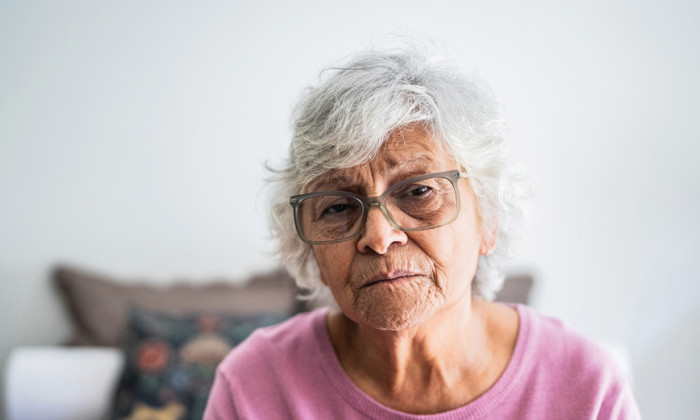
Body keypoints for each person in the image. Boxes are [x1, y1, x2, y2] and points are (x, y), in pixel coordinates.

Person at [204, 47, 640, 419]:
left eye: (417, 191)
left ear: (488, 216)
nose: (378, 236)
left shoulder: (586, 389)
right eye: (337, 206)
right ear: (309, 250)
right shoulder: (254, 386)